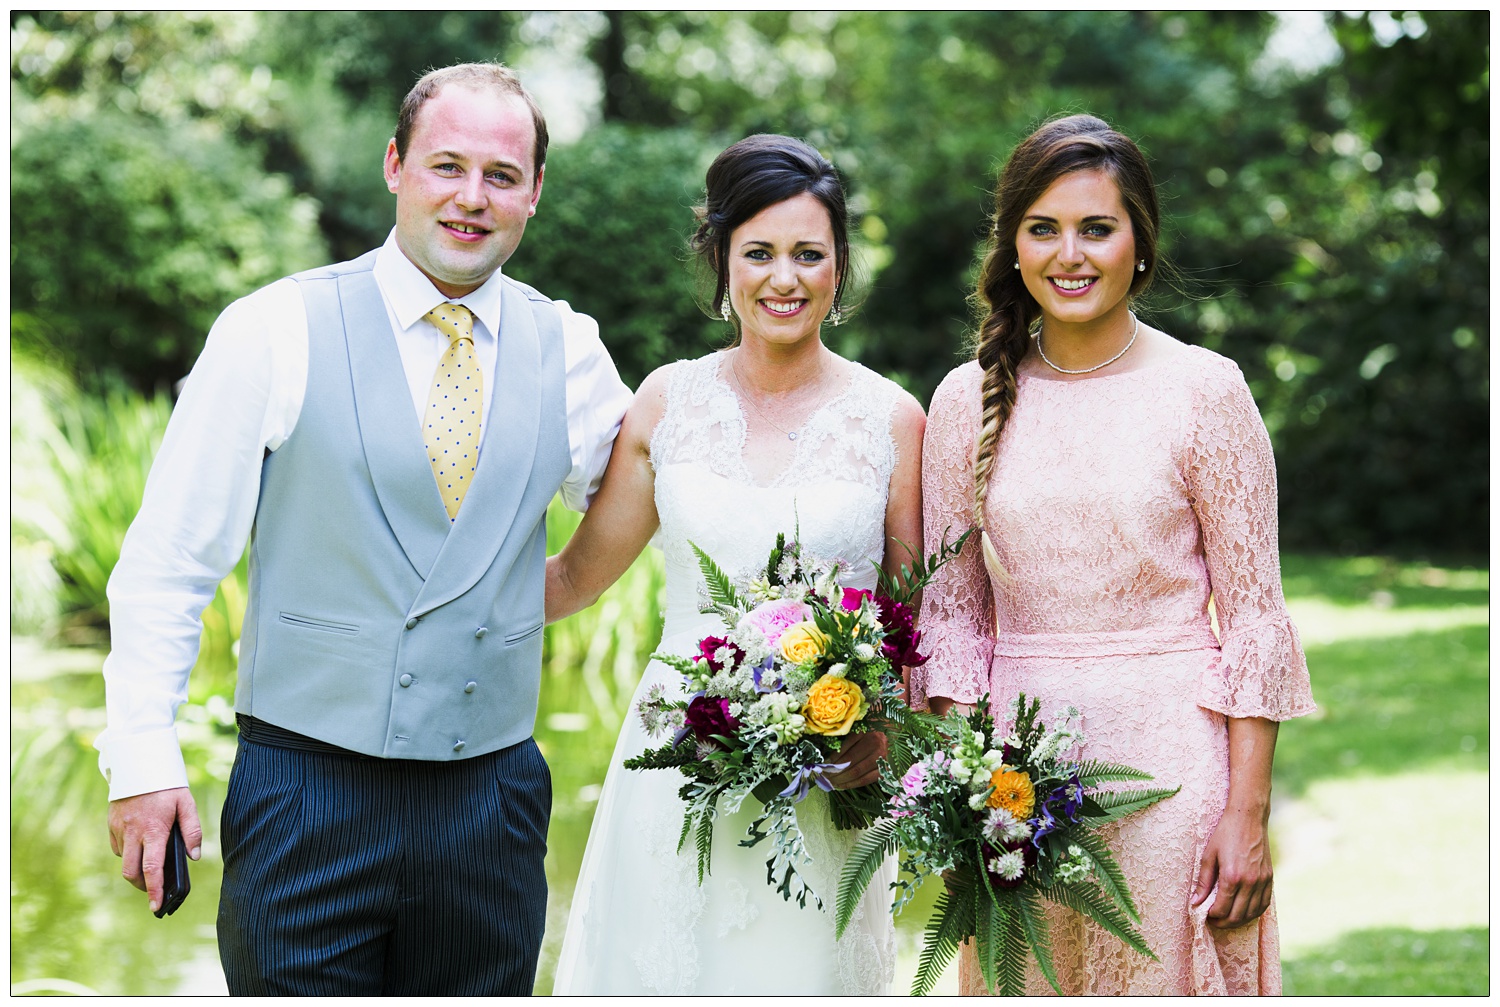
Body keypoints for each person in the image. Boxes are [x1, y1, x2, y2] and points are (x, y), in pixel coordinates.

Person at [95, 62, 632, 995]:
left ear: (534, 193)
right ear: (394, 166)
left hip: (491, 806)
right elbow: (171, 562)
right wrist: (142, 756)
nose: (471, 198)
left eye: (501, 176)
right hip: (304, 792)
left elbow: (656, 510)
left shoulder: (571, 351)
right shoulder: (273, 328)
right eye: (446, 166)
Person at [915, 114, 1315, 996]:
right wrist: (961, 791)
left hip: (1173, 775)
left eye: (1097, 227)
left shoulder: (1205, 391)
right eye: (1044, 228)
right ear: (1012, 244)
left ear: (1140, 242)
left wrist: (1247, 814)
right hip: (1012, 783)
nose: (1071, 254)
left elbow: (1255, 619)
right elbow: (952, 617)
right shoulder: (963, 399)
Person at [546, 134, 924, 995]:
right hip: (670, 759)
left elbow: (919, 626)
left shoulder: (892, 419)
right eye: (758, 252)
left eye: (808, 254)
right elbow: (570, 580)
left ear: (840, 267)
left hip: (828, 783)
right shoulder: (668, 401)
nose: (782, 278)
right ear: (721, 260)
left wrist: (880, 732)